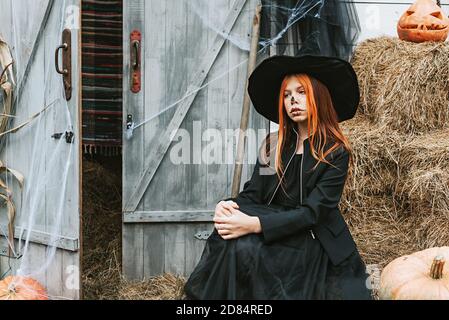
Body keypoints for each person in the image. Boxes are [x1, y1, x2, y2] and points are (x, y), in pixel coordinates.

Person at [184, 54, 373, 300]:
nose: (293, 99)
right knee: (231, 239)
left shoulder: (334, 151)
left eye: (301, 92)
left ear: (318, 96)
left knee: (247, 246)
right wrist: (228, 206)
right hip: (276, 232)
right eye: (287, 94)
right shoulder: (273, 146)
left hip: (313, 239)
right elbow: (253, 194)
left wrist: (254, 225)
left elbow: (313, 213)